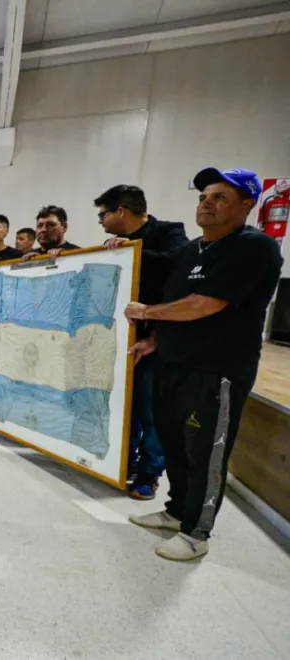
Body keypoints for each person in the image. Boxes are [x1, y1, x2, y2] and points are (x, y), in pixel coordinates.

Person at [125, 167, 281, 562]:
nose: (206, 204)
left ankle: (197, 532)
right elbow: (181, 299)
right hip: (172, 365)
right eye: (202, 197)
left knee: (206, 453)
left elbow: (205, 304)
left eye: (220, 197)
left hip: (217, 371)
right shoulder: (191, 250)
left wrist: (148, 312)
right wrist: (154, 340)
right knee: (175, 446)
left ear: (247, 204)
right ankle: (176, 511)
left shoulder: (255, 247)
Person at [96, 184, 189, 499]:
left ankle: (149, 474)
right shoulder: (115, 244)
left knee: (151, 411)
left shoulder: (170, 233)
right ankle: (126, 463)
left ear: (120, 211)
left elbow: (178, 263)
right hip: (122, 338)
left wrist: (132, 250)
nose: (101, 222)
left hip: (156, 339)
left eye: (102, 214)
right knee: (125, 406)